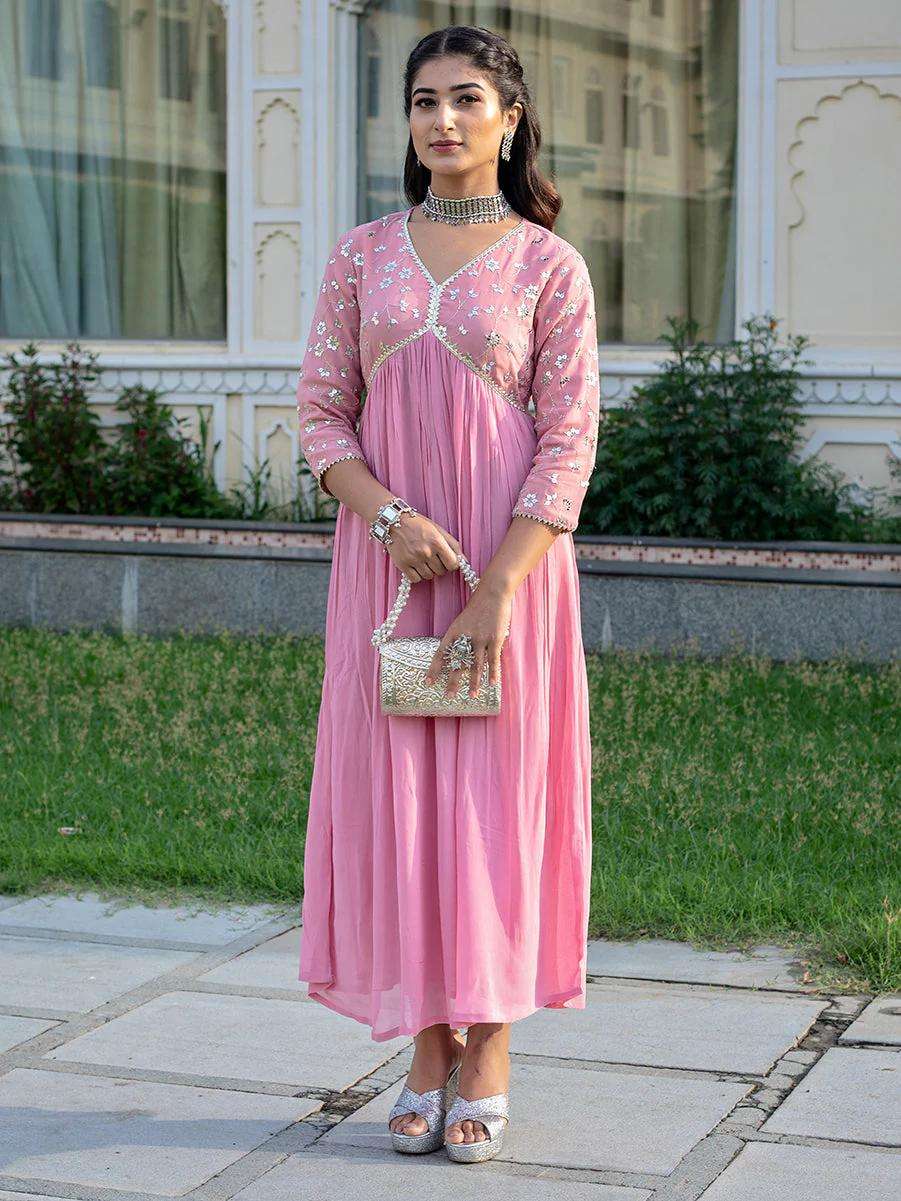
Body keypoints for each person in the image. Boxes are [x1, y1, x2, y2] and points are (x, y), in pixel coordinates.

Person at [295, 24, 600, 1164]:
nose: (443, 119)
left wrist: (498, 590)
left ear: (509, 120)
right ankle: (427, 1043)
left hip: (506, 575)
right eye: (425, 100)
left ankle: (491, 1045)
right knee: (400, 798)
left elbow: (568, 441)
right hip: (389, 571)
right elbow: (320, 414)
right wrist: (388, 518)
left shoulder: (547, 266)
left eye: (467, 99)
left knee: (493, 798)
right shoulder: (362, 255)